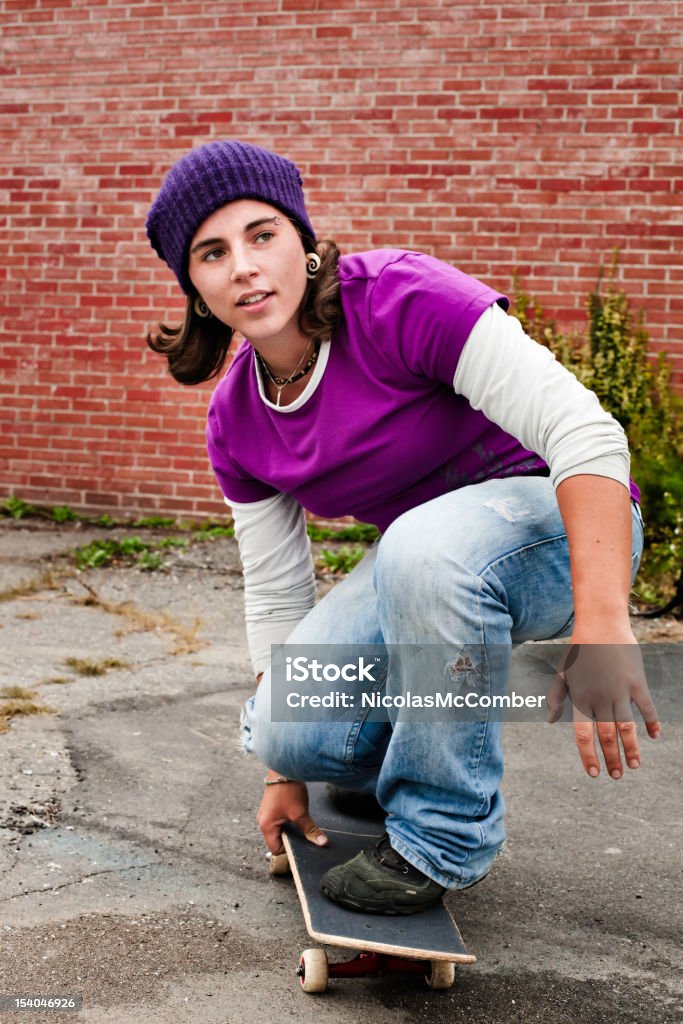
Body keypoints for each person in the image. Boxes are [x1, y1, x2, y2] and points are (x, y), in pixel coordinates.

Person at [145, 140, 660, 916]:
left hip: (559, 525)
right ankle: (408, 750)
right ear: (195, 287)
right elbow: (278, 588)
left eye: (262, 235)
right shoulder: (236, 421)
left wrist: (603, 624)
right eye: (212, 253)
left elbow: (585, 435)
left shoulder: (397, 298)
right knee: (283, 726)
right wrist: (281, 775)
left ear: (302, 241)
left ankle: (442, 836)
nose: (244, 266)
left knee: (420, 545)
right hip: (426, 561)